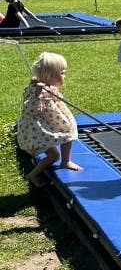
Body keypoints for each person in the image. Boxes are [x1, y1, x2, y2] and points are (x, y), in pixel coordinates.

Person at [17, 52, 83, 187]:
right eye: (62, 73)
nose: (65, 76)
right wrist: (37, 95)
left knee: (68, 134)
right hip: (41, 129)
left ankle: (66, 161)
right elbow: (30, 109)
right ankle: (33, 174)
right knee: (53, 156)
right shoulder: (36, 90)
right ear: (51, 75)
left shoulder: (48, 86)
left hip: (52, 123)